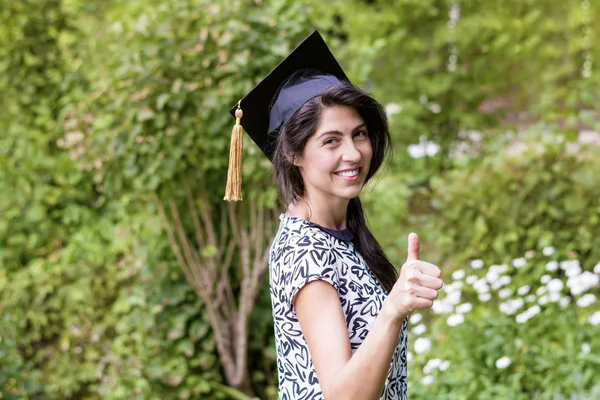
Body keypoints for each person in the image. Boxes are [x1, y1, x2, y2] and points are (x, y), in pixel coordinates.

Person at [225, 31, 444, 400]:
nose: (354, 153)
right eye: (331, 141)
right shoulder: (306, 251)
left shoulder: (338, 234)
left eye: (359, 134)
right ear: (293, 154)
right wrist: (393, 309)